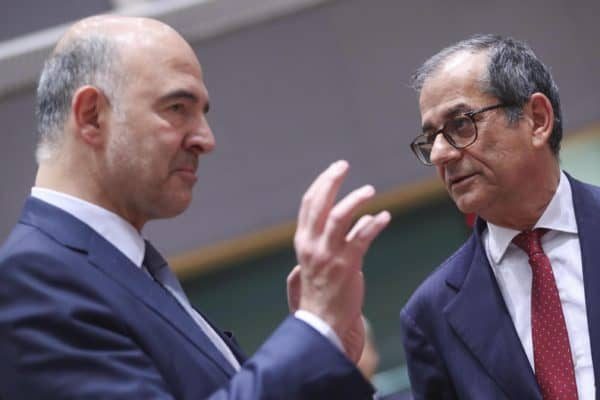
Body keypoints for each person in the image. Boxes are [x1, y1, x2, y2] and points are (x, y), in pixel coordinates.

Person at [0, 15, 391, 399]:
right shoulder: (30, 279)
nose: (206, 139)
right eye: (177, 108)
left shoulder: (123, 267)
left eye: (203, 113)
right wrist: (313, 327)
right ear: (91, 115)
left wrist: (326, 352)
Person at [400, 34, 599, 399]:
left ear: (537, 120)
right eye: (431, 138)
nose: (442, 153)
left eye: (460, 124)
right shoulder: (429, 315)